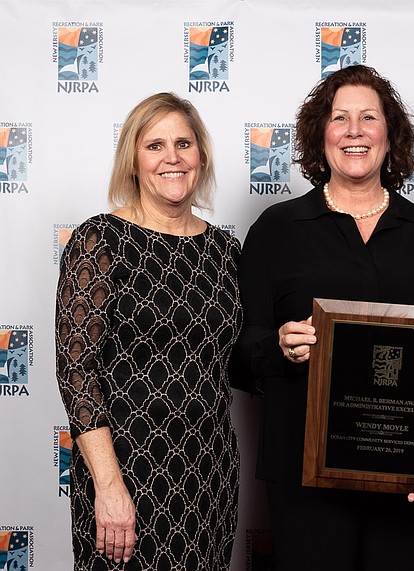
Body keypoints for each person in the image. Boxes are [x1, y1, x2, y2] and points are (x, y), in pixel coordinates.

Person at [233, 64, 414, 571]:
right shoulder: (277, 229)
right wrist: (278, 343)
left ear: (391, 135)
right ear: (321, 136)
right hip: (304, 472)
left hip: (406, 473)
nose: (355, 130)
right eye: (340, 118)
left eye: (369, 117)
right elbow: (238, 351)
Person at [55, 92, 242, 570]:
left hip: (209, 470)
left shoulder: (225, 251)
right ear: (133, 162)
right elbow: (77, 371)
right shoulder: (100, 240)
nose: (172, 157)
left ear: (201, 155)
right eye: (155, 145)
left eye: (184, 143)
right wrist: (109, 486)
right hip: (126, 469)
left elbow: (240, 359)